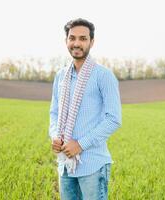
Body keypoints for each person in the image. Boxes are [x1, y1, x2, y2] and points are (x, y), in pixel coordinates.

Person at [49, 18, 122, 200]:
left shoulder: (103, 76)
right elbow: (54, 113)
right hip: (65, 164)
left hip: (92, 165)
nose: (77, 43)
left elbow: (113, 119)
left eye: (83, 38)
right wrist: (54, 136)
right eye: (72, 38)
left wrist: (80, 144)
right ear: (66, 41)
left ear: (92, 42)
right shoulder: (61, 77)